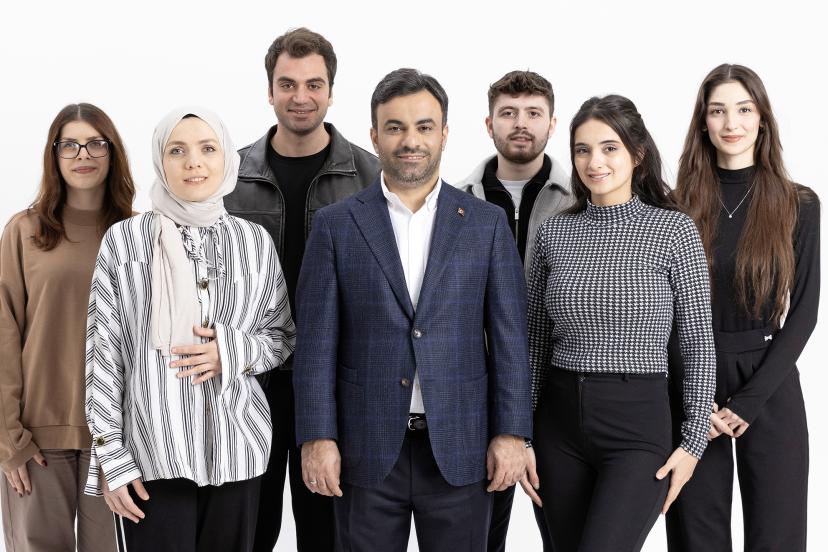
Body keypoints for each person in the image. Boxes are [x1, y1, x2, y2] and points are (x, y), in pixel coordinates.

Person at [293, 68, 532, 551]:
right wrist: (317, 437)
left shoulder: (486, 224)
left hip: (461, 447)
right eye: (395, 127)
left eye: (424, 127)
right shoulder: (336, 225)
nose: (410, 141)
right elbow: (315, 345)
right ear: (374, 136)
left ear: (443, 134)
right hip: (364, 448)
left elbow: (510, 339)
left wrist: (512, 433)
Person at [84, 107, 295, 552]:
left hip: (237, 448)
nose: (193, 162)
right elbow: (103, 357)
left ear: (227, 158)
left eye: (207, 149)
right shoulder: (124, 241)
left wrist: (231, 351)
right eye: (176, 151)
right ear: (160, 161)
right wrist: (112, 460)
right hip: (152, 454)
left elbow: (281, 337)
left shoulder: (253, 242)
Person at [527, 94, 716, 552]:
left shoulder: (674, 231)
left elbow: (698, 343)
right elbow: (533, 340)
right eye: (583, 150)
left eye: (609, 148)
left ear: (638, 153)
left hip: (637, 426)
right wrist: (521, 434)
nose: (594, 162)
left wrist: (693, 445)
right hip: (558, 425)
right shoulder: (553, 233)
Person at [224, 28, 379, 551]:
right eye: (287, 84)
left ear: (331, 91)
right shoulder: (230, 177)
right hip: (249, 381)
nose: (300, 97)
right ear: (269, 90)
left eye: (314, 84)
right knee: (248, 532)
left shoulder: (370, 176)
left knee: (329, 535)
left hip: (335, 383)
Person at [665, 64, 820, 552]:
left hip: (769, 376)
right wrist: (697, 399)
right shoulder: (675, 205)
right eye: (718, 111)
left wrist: (748, 402)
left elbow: (805, 312)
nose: (732, 123)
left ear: (762, 118)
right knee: (696, 533)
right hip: (693, 374)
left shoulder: (798, 203)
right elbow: (662, 311)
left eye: (744, 109)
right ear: (703, 123)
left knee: (778, 532)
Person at [0, 103, 135, 552]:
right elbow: (3, 334)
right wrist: (9, 440)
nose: (83, 154)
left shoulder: (137, 235)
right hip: (36, 438)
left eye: (96, 143)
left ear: (113, 152)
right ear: (53, 154)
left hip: (115, 442)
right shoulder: (24, 231)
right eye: (70, 145)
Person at [457, 70, 571, 551]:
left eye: (533, 113)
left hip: (562, 388)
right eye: (508, 113)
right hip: (481, 392)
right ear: (489, 124)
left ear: (552, 123)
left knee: (568, 534)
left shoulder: (582, 200)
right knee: (479, 535)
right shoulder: (457, 201)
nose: (520, 123)